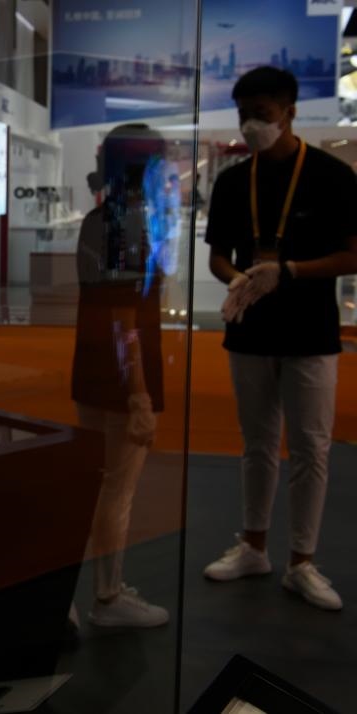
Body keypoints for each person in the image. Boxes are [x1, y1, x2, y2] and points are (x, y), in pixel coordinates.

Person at [203, 67, 357, 611]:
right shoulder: (231, 181)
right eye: (244, 115)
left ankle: (302, 562)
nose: (251, 125)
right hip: (249, 329)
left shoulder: (332, 176)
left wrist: (288, 271)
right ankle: (253, 547)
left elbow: (353, 255)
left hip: (310, 331)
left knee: (311, 448)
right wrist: (237, 280)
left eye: (262, 115)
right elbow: (217, 256)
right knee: (257, 444)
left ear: (289, 112)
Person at [71, 124, 179, 628]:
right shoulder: (130, 221)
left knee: (96, 487)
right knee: (116, 492)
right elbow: (124, 318)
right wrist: (138, 395)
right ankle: (108, 598)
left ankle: (84, 596)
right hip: (121, 380)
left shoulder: (99, 217)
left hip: (93, 371)